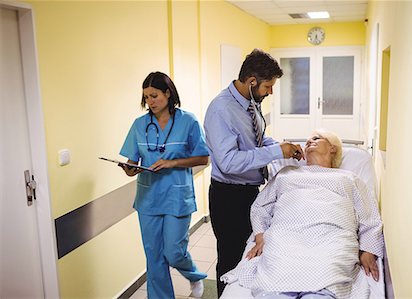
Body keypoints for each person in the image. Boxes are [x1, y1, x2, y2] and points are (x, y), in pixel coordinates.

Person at [222, 129, 385, 299]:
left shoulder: (349, 178)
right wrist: (261, 236)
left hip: (331, 239)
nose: (309, 142)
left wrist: (367, 250)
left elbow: (369, 216)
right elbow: (260, 207)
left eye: (316, 138)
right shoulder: (286, 174)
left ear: (333, 148)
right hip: (286, 236)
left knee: (329, 271)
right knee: (276, 269)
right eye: (307, 141)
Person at [204, 48, 303, 296]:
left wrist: (279, 146)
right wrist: (275, 152)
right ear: (251, 82)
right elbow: (228, 162)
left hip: (250, 192)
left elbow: (254, 140)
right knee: (230, 259)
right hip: (228, 196)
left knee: (250, 256)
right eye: (268, 86)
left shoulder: (250, 102)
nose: (270, 92)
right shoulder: (221, 110)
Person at [119, 71, 209, 299]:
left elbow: (203, 158)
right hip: (148, 198)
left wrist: (173, 162)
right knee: (154, 256)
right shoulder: (140, 125)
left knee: (174, 252)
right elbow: (132, 164)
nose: (150, 102)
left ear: (168, 93)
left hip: (177, 197)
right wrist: (130, 169)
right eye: (146, 97)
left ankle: (195, 275)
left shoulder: (188, 121)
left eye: (154, 96)